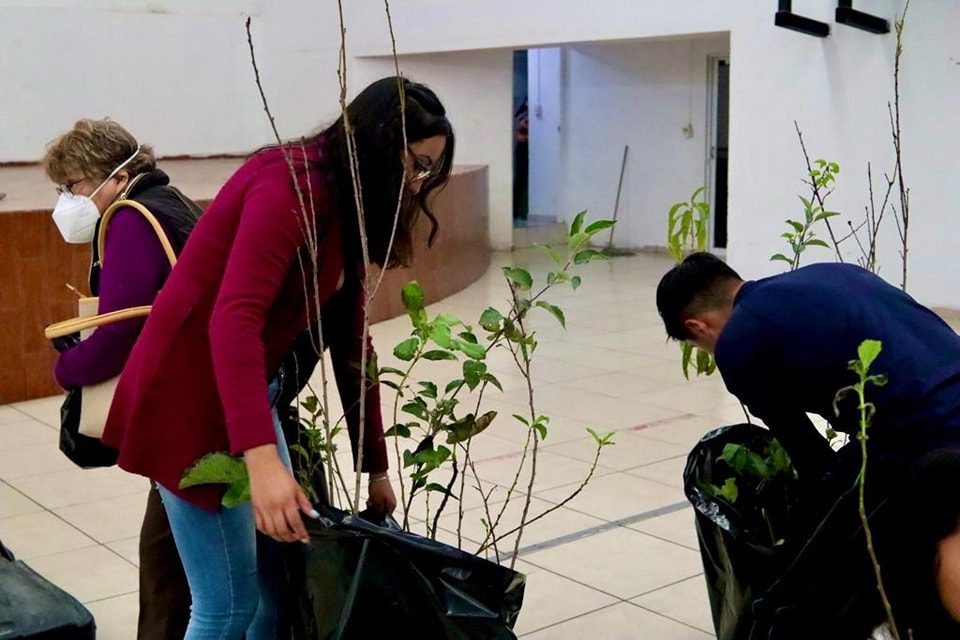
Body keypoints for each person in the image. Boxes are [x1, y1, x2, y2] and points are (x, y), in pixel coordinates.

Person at [101, 76, 455, 639]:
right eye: (413, 163)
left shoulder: (348, 203)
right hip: (187, 400)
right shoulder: (291, 187)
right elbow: (233, 320)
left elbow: (351, 338)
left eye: (430, 170)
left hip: (243, 394)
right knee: (225, 607)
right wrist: (262, 462)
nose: (417, 183)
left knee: (277, 591)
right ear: (373, 147)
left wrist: (376, 464)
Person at [656, 252, 960, 638]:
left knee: (802, 585)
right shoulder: (832, 273)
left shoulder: (736, 341)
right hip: (941, 411)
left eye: (702, 347)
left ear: (697, 326)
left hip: (923, 433)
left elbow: (808, 452)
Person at [42, 118, 198, 640]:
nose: (68, 200)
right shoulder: (172, 204)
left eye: (74, 186)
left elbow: (117, 333)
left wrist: (67, 369)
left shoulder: (132, 218)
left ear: (111, 173)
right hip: (205, 397)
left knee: (170, 571)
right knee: (178, 561)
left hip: (183, 413)